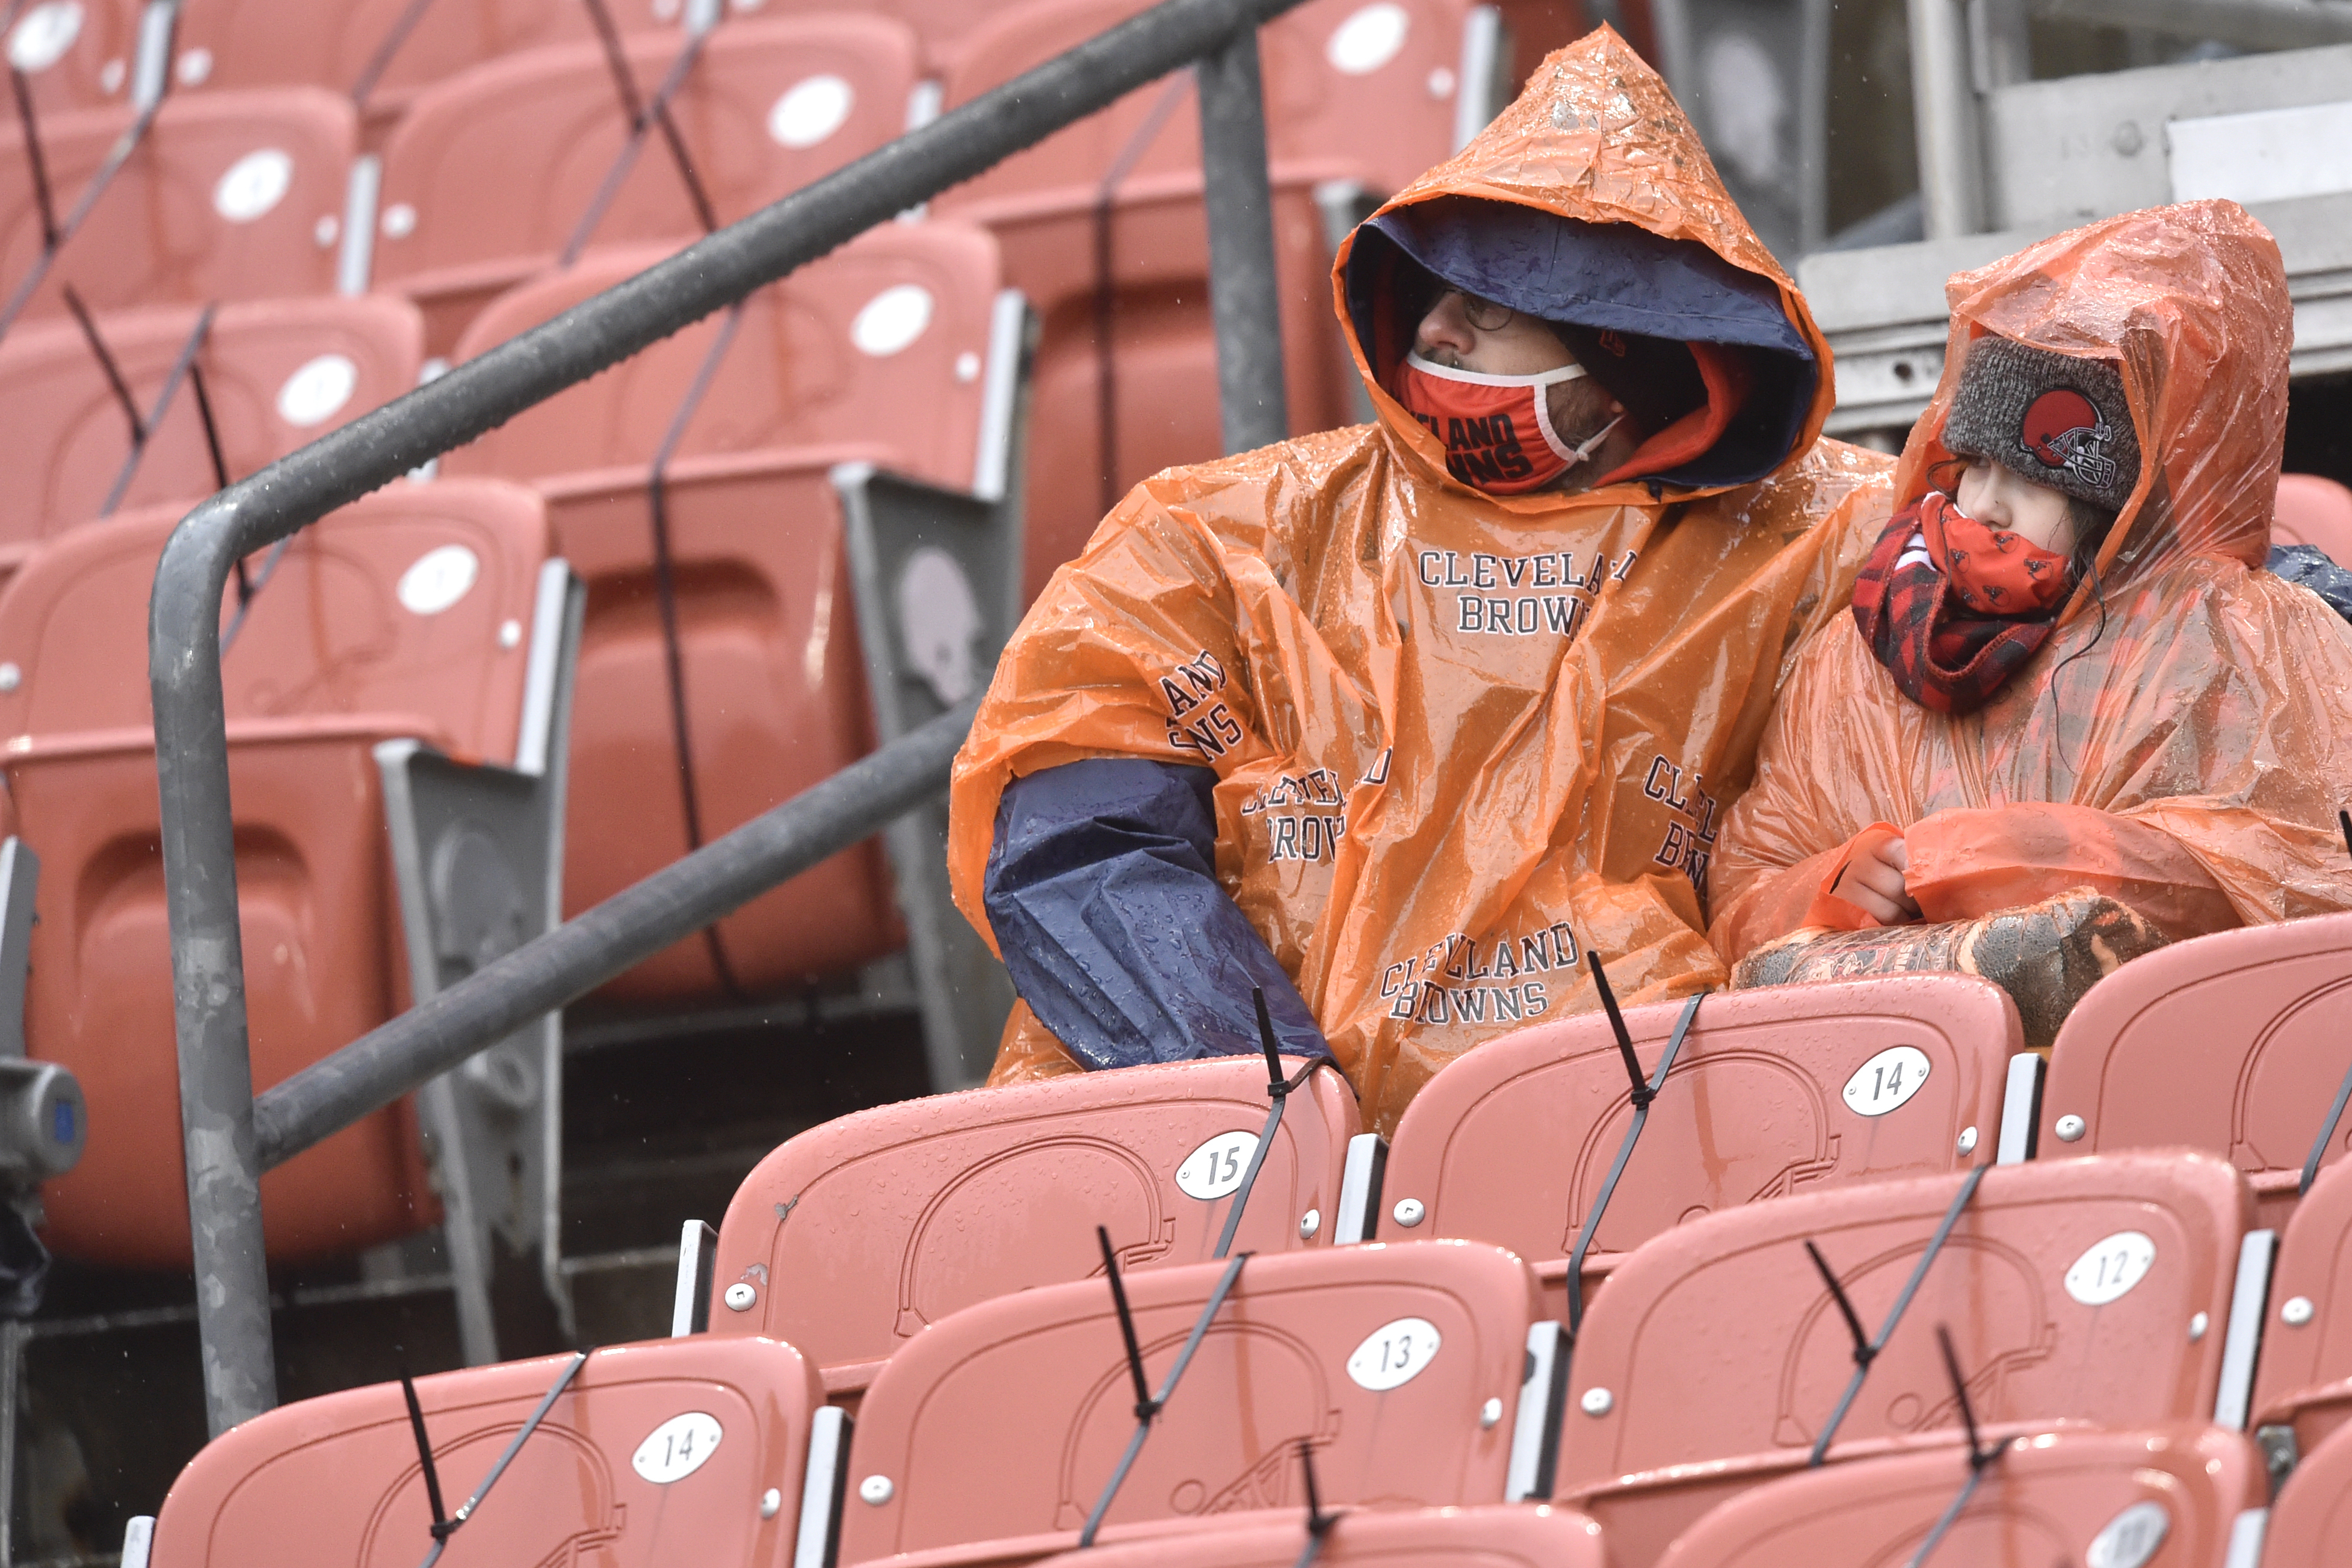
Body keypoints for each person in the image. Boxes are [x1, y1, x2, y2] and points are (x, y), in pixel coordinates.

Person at [946, 29, 1897, 1134]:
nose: (1434, 328)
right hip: (1254, 1174)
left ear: (1622, 353)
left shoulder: (1816, 543)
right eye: (1436, 289)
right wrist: (1271, 1106)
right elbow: (1078, 846)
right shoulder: (1220, 536)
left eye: (1487, 310)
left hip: (1655, 1129)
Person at [1709, 199, 2352, 972]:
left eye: (2029, 480)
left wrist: (2013, 856)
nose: (1983, 505)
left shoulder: (2236, 645)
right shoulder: (1857, 659)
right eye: (1975, 465)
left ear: (2119, 513)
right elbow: (1745, 887)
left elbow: (2303, 872)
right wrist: (1826, 886)